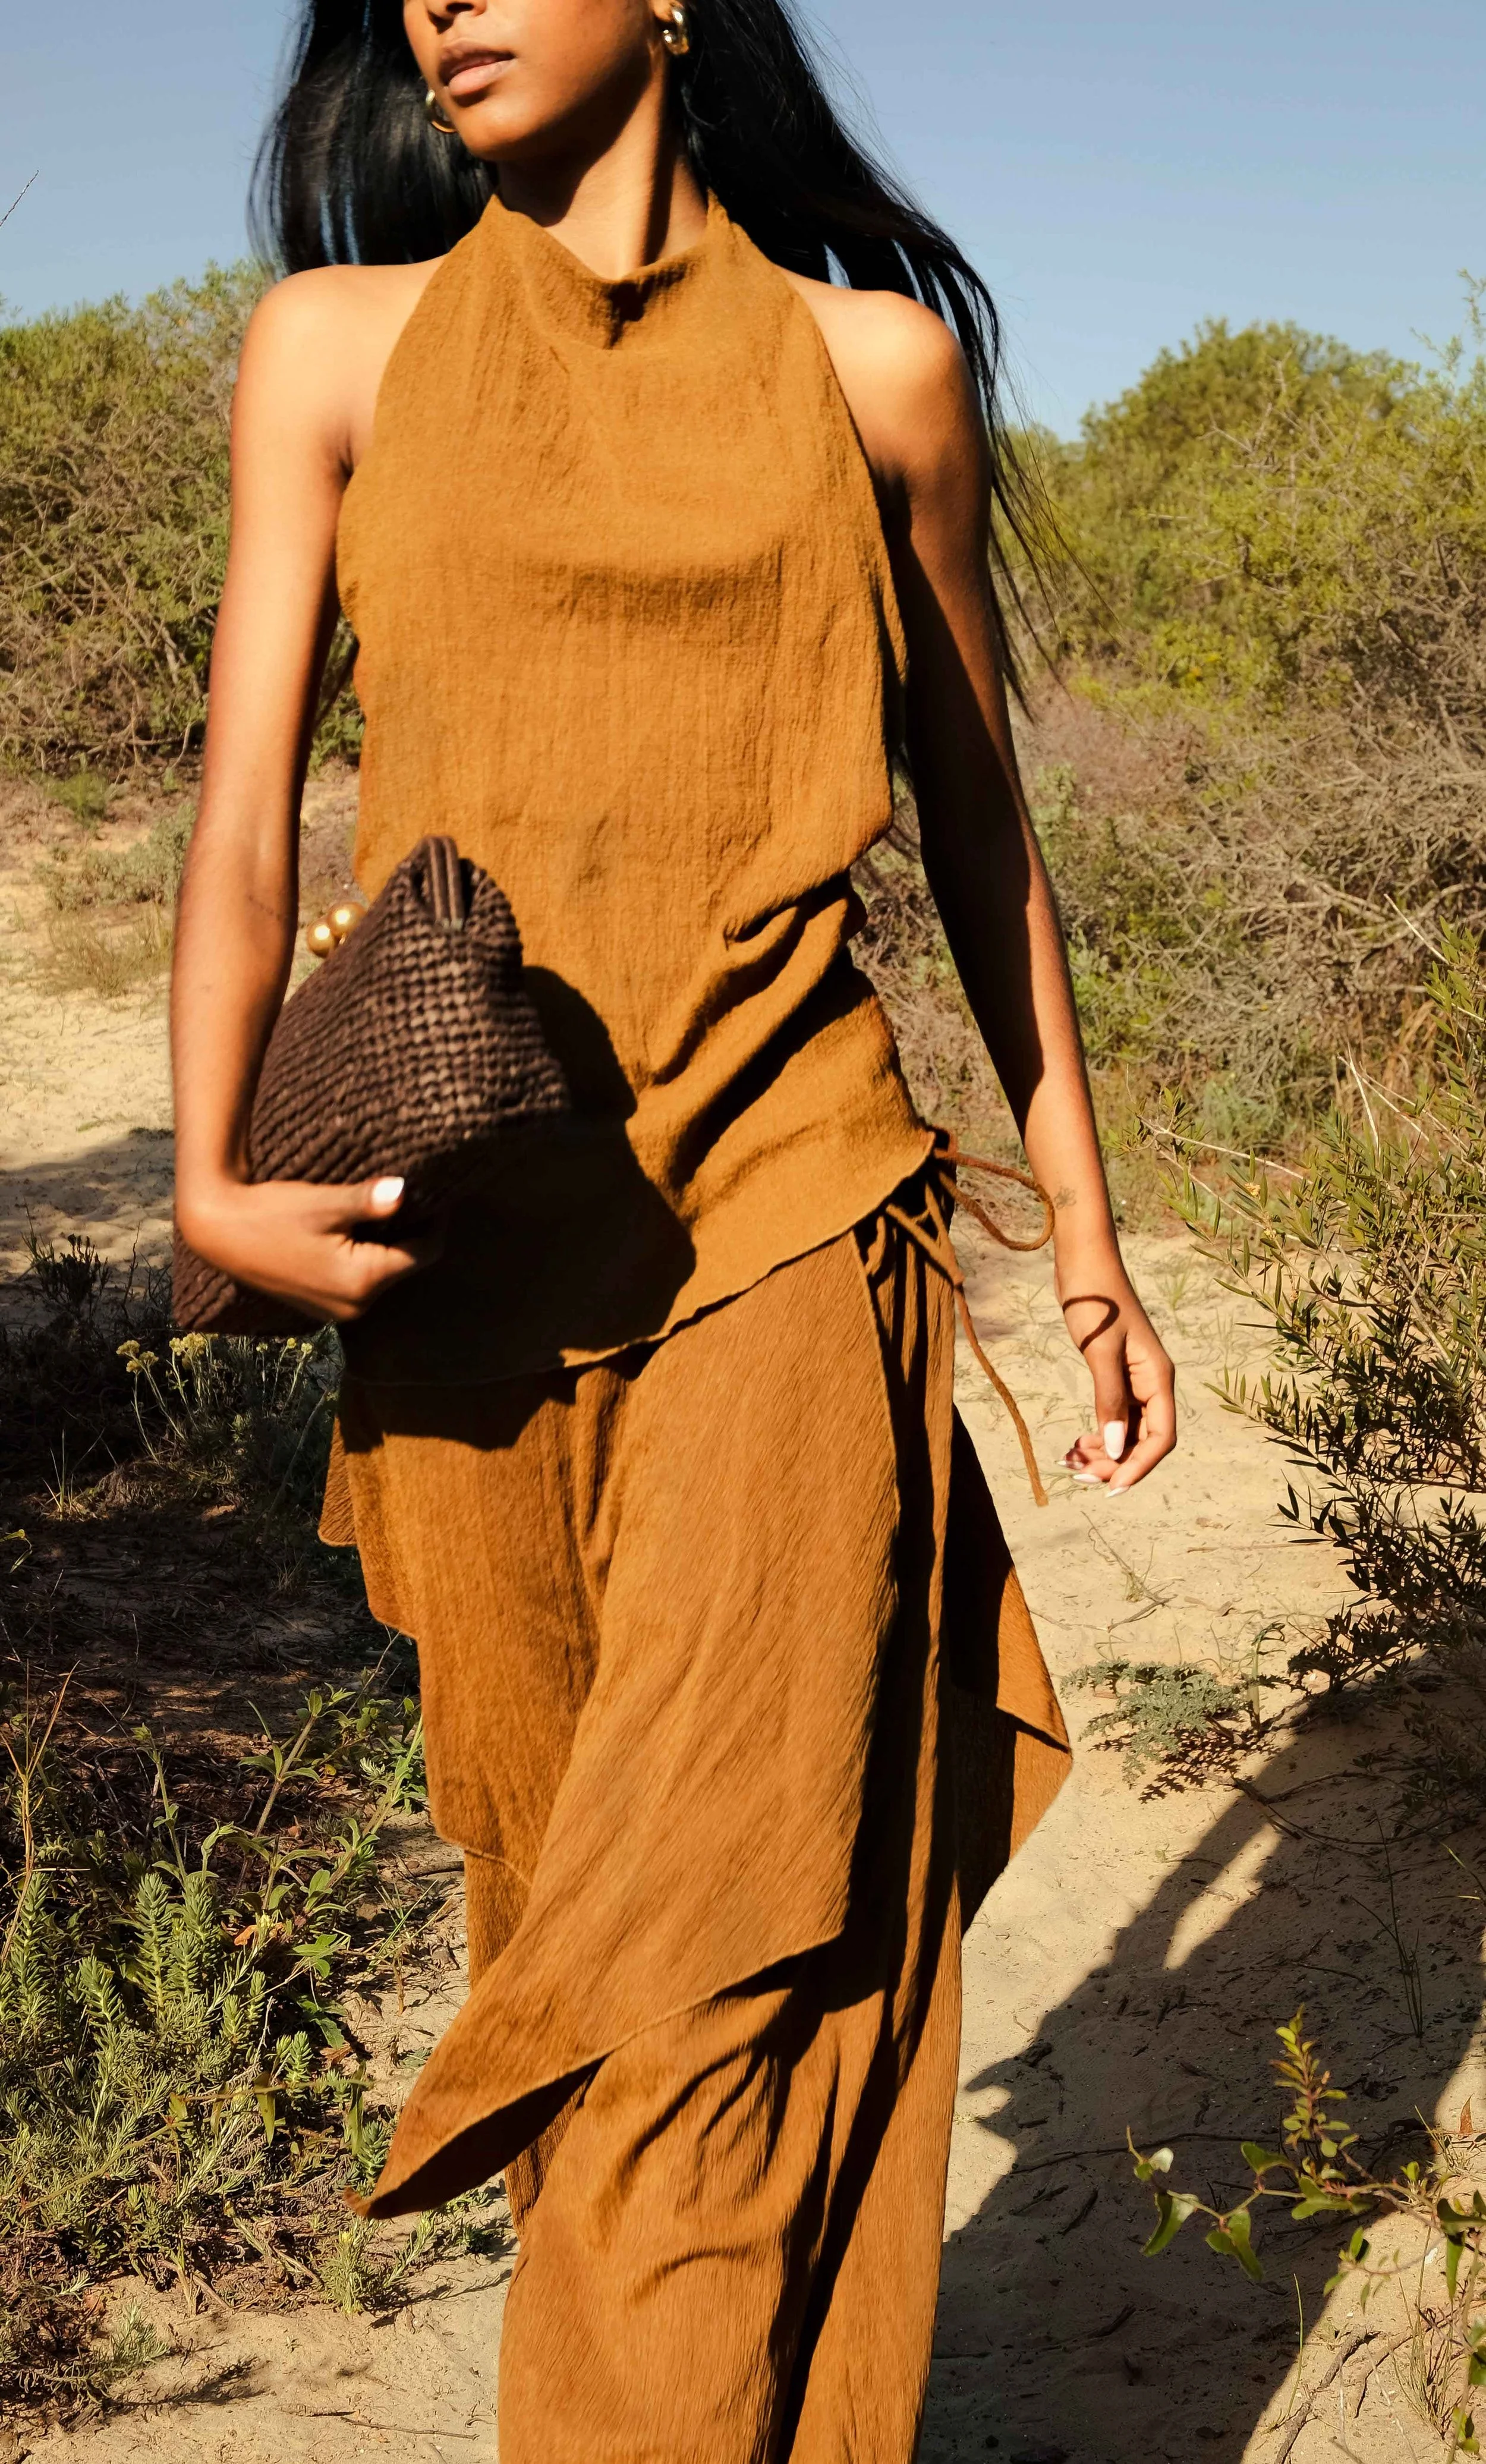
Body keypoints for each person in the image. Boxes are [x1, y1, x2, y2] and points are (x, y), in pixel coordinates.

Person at [171, 1, 1178, 2452]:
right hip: (457, 1295)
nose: (441, 0)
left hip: (787, 1230)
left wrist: (1084, 1229)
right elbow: (240, 823)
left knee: (698, 1971)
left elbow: (976, 828)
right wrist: (210, 1179)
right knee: (562, 1936)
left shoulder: (876, 375)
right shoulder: (334, 348)